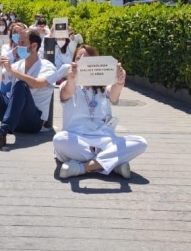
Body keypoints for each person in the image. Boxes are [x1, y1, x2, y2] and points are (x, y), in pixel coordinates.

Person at [53, 45, 147, 179]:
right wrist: (72, 78)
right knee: (59, 139)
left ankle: (83, 167)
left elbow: (114, 95)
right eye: (79, 58)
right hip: (78, 139)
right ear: (73, 62)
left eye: (88, 59)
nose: (84, 62)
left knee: (140, 142)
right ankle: (113, 163)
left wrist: (119, 82)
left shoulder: (104, 88)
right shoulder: (68, 85)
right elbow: (67, 91)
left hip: (105, 139)